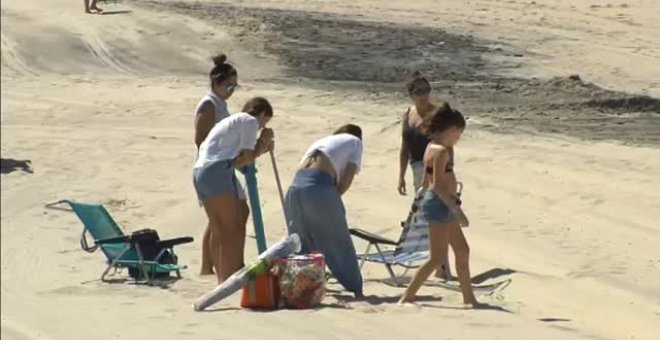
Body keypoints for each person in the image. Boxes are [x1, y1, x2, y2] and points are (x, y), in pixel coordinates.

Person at [398, 104, 478, 306]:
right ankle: (407, 296)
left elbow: (427, 179)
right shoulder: (441, 151)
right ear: (448, 129)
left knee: (462, 250)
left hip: (442, 203)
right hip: (441, 205)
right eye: (457, 134)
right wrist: (457, 210)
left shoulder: (433, 147)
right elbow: (437, 186)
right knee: (437, 257)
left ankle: (469, 299)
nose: (458, 138)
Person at [193, 97, 274, 283]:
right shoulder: (249, 121)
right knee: (228, 228)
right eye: (265, 121)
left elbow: (238, 161)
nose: (262, 126)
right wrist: (263, 143)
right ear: (261, 114)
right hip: (217, 171)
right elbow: (247, 157)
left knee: (224, 224)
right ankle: (225, 278)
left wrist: (260, 147)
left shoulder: (232, 123)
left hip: (201, 171)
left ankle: (231, 271)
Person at [284, 124, 364, 297]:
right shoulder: (355, 142)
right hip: (318, 186)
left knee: (301, 241)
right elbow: (346, 179)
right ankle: (355, 287)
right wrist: (333, 200)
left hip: (294, 189)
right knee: (338, 242)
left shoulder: (323, 142)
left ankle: (301, 287)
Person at [193, 54, 250, 276]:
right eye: (229, 86)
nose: (231, 90)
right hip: (213, 167)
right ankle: (217, 265)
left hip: (224, 165)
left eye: (235, 87)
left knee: (226, 216)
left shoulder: (220, 104)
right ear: (217, 83)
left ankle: (212, 265)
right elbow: (201, 139)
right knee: (224, 218)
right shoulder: (208, 104)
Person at [397, 71, 452, 280]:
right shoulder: (408, 114)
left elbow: (447, 144)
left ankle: (442, 266)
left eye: (426, 90)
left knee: (436, 216)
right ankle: (438, 264)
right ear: (411, 93)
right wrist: (400, 175)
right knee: (428, 216)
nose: (424, 95)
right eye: (419, 91)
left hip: (435, 167)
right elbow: (404, 146)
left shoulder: (436, 114)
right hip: (415, 167)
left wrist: (444, 168)